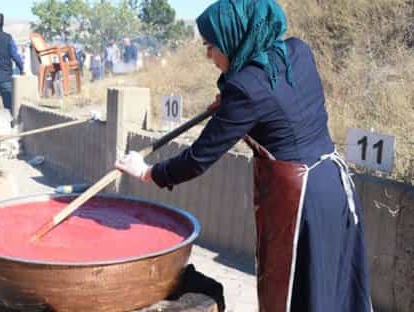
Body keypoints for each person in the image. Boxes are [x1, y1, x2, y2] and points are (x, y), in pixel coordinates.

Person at [115, 1, 372, 311]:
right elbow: (279, 101)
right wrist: (230, 101)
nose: (208, 54)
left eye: (211, 45)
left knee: (299, 295)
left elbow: (198, 158)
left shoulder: (244, 89)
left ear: (234, 37)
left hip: (302, 201)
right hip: (335, 185)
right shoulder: (297, 51)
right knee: (333, 288)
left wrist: (147, 172)